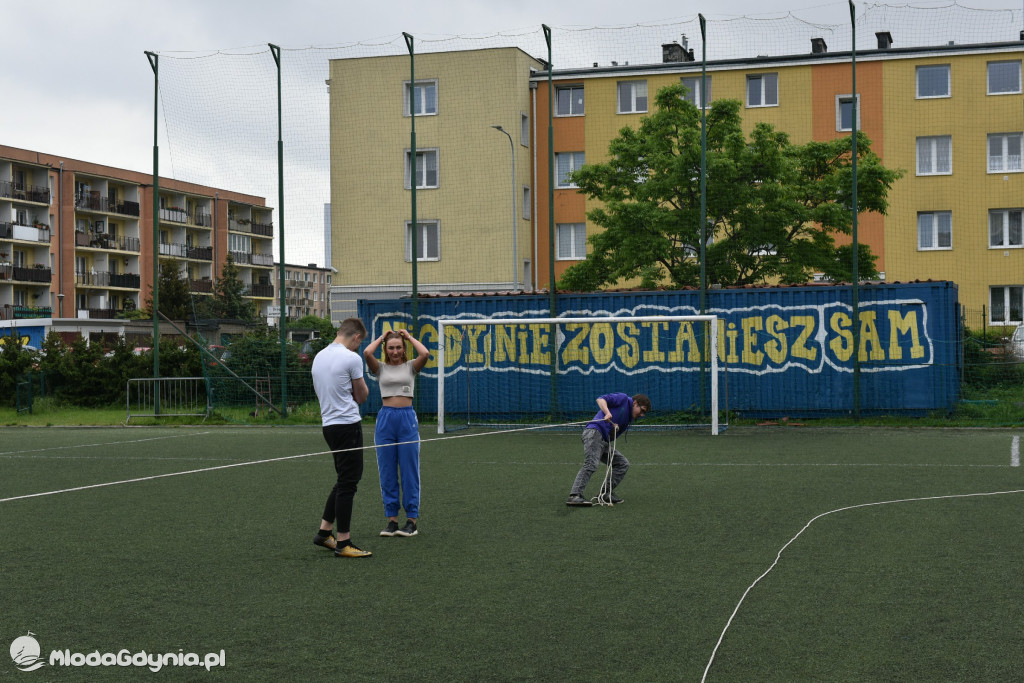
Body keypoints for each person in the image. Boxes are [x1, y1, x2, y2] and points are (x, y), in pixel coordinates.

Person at [311, 317, 372, 558]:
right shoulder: (351, 358)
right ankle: (344, 542)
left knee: (343, 478)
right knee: (349, 482)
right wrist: (362, 388)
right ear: (356, 337)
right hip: (347, 425)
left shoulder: (319, 356)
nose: (357, 347)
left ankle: (325, 532)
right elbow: (362, 396)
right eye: (359, 342)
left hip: (329, 426)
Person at [363, 328, 431, 537]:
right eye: (391, 348)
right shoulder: (380, 368)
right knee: (387, 471)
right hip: (386, 420)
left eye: (398, 348)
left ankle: (411, 521)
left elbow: (425, 354)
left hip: (407, 420)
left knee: (410, 470)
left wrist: (408, 337)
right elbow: (367, 352)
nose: (394, 351)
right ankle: (392, 520)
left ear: (404, 350)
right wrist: (383, 337)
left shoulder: (411, 367)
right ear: (386, 349)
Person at [566, 392, 651, 506]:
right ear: (635, 403)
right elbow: (600, 399)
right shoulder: (623, 399)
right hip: (594, 433)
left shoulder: (628, 419)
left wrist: (613, 428)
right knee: (591, 464)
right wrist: (607, 413)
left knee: (622, 463)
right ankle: (574, 496)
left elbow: (611, 435)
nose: (642, 415)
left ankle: (605, 493)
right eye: (642, 410)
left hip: (603, 440)